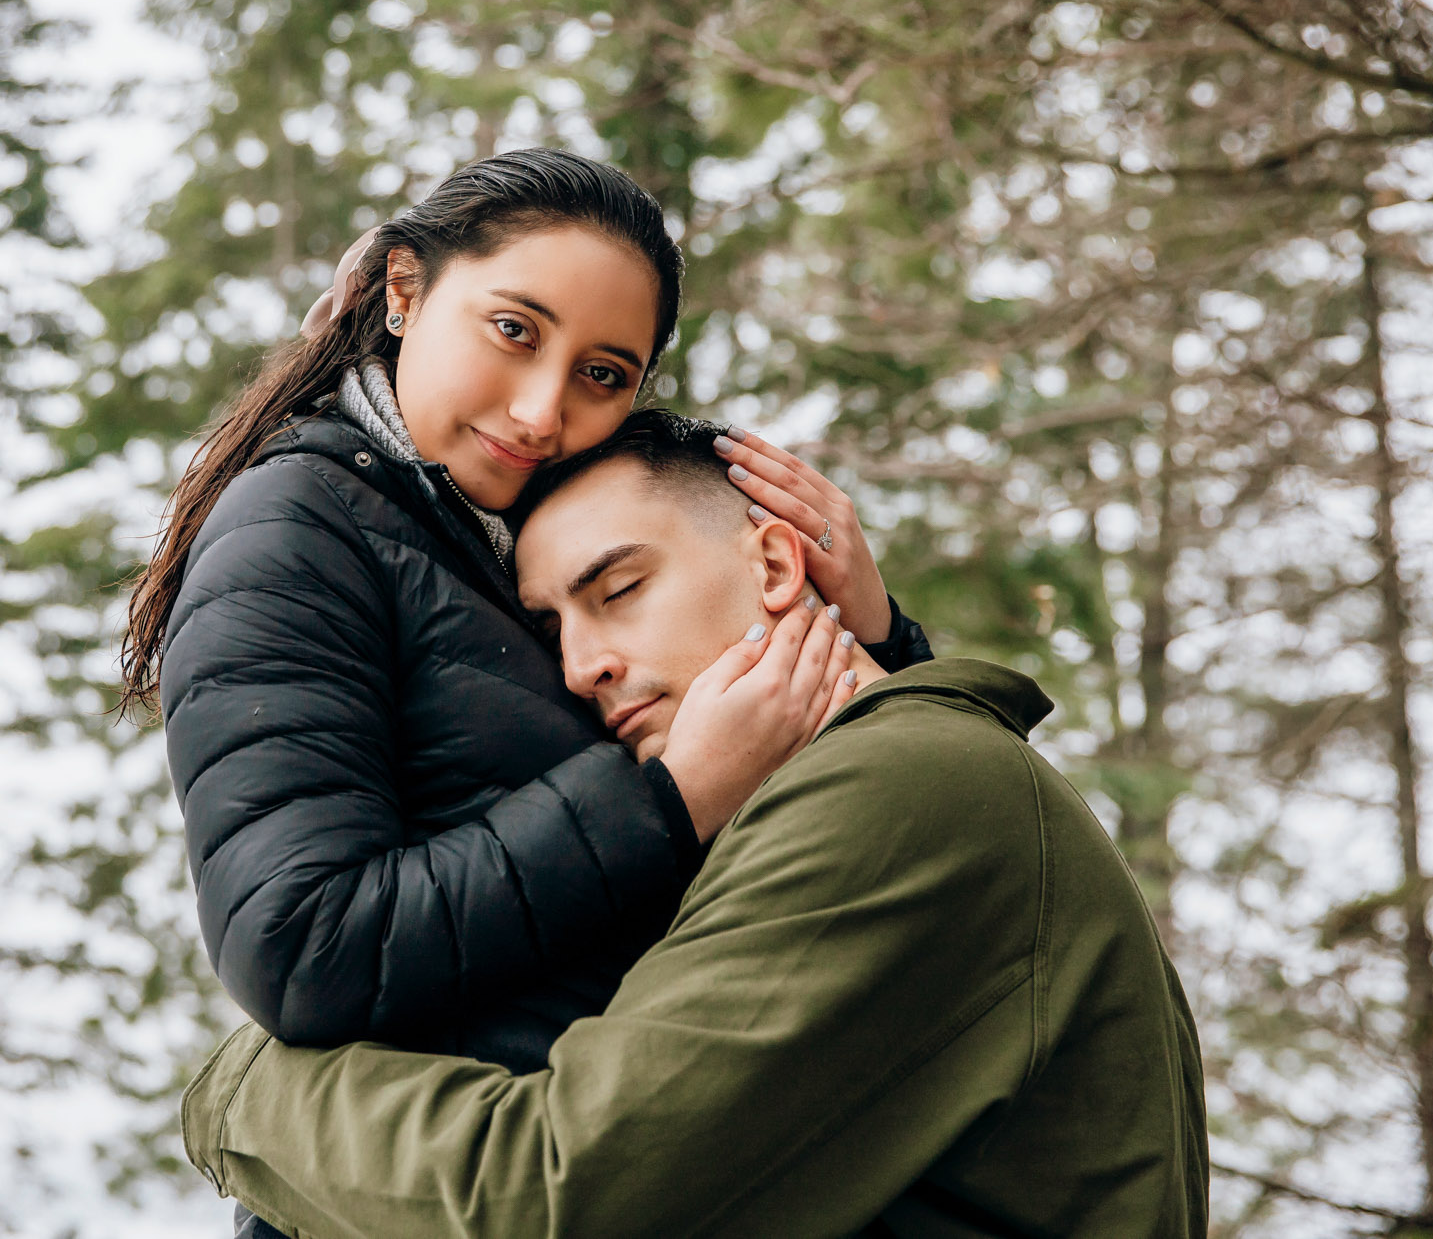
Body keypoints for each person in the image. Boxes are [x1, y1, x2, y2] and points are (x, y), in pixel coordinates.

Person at [117, 151, 937, 1239]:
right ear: (402, 293)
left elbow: (873, 843)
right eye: (513, 330)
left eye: (603, 373)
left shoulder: (507, 541)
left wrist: (870, 632)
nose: (542, 408)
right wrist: (666, 797)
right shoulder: (296, 529)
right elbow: (298, 943)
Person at [180, 410, 1210, 1239]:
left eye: (617, 589)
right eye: (551, 633)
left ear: (773, 565)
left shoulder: (904, 789)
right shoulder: (913, 782)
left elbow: (552, 1199)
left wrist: (240, 1088)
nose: (582, 665)